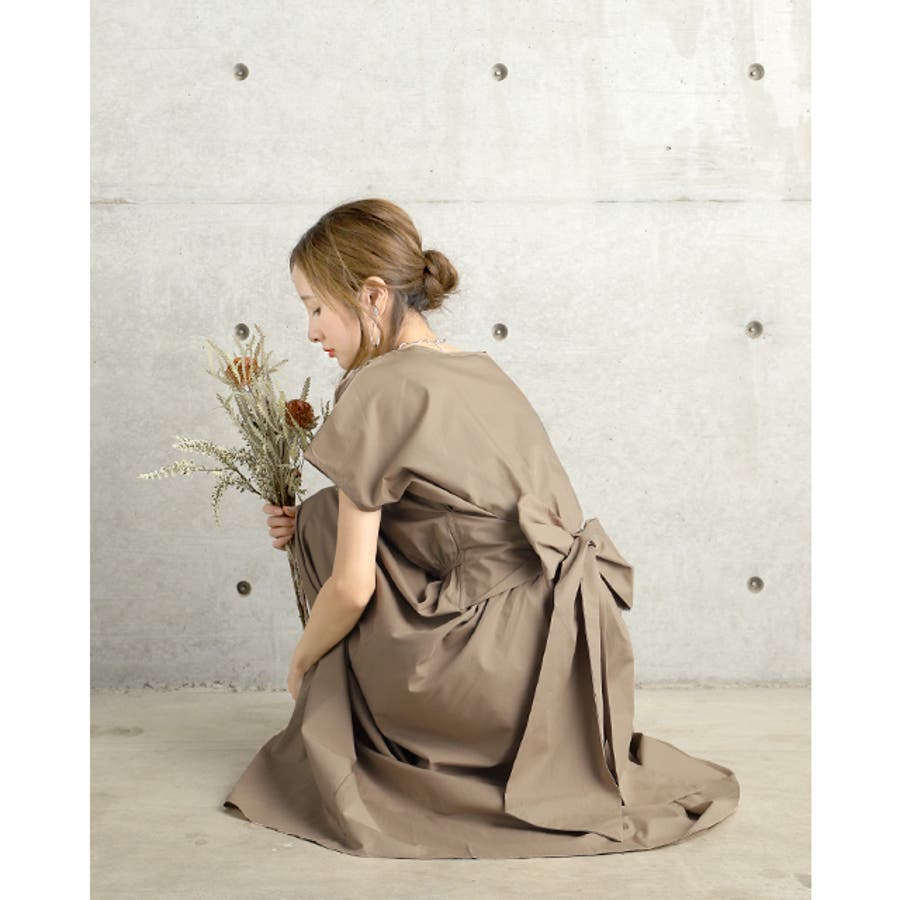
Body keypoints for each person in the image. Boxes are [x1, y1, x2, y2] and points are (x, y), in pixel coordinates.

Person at [223, 198, 740, 859]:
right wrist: (310, 524)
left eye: (316, 306)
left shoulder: (376, 387)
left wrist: (301, 663)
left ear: (373, 296)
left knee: (329, 524)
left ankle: (370, 736)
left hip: (488, 682)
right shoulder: (479, 369)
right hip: (571, 679)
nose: (310, 330)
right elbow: (458, 522)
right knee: (323, 515)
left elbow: (352, 586)